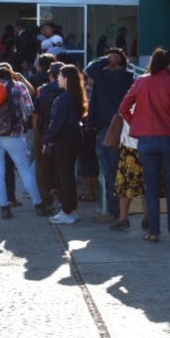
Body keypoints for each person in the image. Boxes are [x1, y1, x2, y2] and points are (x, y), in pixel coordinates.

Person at [119, 48, 170, 242]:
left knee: (150, 187)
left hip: (146, 139)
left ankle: (153, 232)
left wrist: (137, 124)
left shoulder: (140, 81)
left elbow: (123, 107)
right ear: (169, 65)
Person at [0, 63, 54, 220]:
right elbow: (29, 111)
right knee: (25, 170)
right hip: (14, 135)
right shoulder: (18, 86)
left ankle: (4, 208)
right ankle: (39, 205)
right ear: (11, 73)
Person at [86, 48, 136, 223]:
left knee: (111, 172)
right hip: (122, 128)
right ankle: (117, 212)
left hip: (110, 129)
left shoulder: (114, 77)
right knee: (117, 172)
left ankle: (114, 212)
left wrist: (105, 58)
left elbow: (90, 69)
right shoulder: (126, 77)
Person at [44, 64, 87, 225]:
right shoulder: (74, 95)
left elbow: (57, 122)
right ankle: (71, 209)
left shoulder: (64, 97)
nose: (58, 78)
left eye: (61, 76)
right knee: (69, 175)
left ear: (67, 78)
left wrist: (46, 139)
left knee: (65, 176)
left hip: (65, 138)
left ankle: (67, 211)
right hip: (74, 136)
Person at [33, 59, 64, 205]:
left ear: (51, 75)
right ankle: (63, 196)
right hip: (64, 132)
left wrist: (37, 133)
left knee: (42, 167)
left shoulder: (42, 90)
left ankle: (45, 199)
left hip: (43, 130)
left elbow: (36, 113)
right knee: (62, 166)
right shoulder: (71, 89)